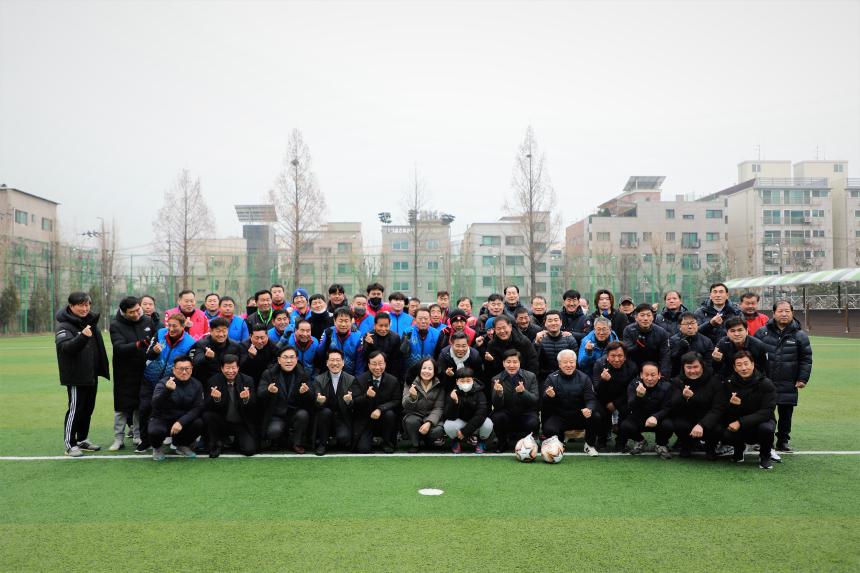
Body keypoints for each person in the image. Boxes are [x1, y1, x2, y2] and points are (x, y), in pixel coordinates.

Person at [700, 351, 777, 469]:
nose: (744, 368)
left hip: (759, 422)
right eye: (739, 365)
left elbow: (767, 412)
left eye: (746, 363)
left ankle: (765, 455)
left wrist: (740, 422)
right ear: (735, 368)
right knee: (723, 431)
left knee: (766, 428)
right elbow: (722, 408)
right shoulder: (728, 383)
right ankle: (738, 449)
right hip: (736, 421)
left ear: (753, 364)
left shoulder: (766, 383)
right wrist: (733, 405)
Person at [55, 291, 110, 457]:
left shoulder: (91, 322)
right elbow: (65, 349)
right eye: (81, 305)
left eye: (87, 305)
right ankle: (70, 444)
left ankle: (82, 439)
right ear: (71, 306)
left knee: (87, 409)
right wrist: (83, 337)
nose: (85, 308)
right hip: (76, 376)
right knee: (75, 410)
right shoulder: (64, 326)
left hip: (91, 374)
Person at [754, 300, 813, 452]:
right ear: (773, 313)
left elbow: (806, 359)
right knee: (765, 412)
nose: (784, 314)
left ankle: (783, 441)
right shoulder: (762, 333)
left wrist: (802, 378)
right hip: (765, 382)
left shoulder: (800, 335)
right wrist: (757, 378)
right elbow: (753, 357)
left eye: (787, 311)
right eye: (780, 311)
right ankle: (764, 440)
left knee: (786, 414)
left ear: (792, 313)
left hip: (789, 381)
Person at [139, 313, 195, 453]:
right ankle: (145, 441)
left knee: (167, 409)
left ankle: (174, 439)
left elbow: (189, 363)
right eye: (169, 325)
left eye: (174, 326)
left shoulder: (190, 342)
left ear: (183, 326)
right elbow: (148, 354)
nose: (171, 329)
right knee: (145, 408)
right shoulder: (160, 333)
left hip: (171, 382)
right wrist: (154, 351)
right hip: (150, 378)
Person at [108, 296, 154, 451]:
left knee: (140, 405)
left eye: (137, 310)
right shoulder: (116, 325)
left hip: (144, 370)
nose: (135, 314)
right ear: (124, 312)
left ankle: (137, 436)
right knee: (121, 407)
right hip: (124, 372)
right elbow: (119, 347)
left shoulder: (147, 321)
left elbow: (156, 339)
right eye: (131, 312)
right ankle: (118, 439)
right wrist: (139, 344)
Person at [542, 349, 601, 457]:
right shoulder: (551, 378)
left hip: (579, 415)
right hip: (560, 416)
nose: (569, 365)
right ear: (559, 364)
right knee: (548, 428)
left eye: (571, 362)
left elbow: (591, 399)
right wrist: (549, 396)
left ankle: (589, 444)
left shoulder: (584, 378)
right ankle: (560, 442)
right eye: (565, 362)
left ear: (575, 362)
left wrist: (589, 409)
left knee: (595, 416)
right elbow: (544, 401)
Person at [258, 346, 314, 454]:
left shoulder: (303, 374)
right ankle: (277, 441)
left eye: (292, 357)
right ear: (279, 360)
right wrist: (268, 390)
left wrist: (306, 392)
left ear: (296, 359)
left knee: (303, 415)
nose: (289, 361)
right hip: (276, 414)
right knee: (273, 432)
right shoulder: (268, 373)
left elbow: (312, 396)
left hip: (294, 413)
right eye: (285, 357)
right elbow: (260, 394)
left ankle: (297, 443)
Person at [148, 355, 204, 461]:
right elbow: (155, 404)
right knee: (155, 431)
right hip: (163, 418)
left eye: (187, 368)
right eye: (180, 369)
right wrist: (167, 391)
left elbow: (198, 407)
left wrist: (181, 422)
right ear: (174, 370)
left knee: (199, 423)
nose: (184, 372)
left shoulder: (197, 384)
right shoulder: (164, 383)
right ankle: (157, 448)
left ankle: (182, 445)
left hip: (182, 420)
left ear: (191, 369)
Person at [618, 362, 677, 459]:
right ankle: (640, 440)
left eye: (653, 375)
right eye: (646, 375)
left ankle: (661, 444)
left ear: (659, 375)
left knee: (669, 425)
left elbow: (667, 408)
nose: (649, 378)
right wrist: (639, 396)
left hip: (659, 419)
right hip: (639, 418)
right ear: (641, 375)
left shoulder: (667, 386)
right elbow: (630, 407)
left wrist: (655, 417)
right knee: (625, 425)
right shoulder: (634, 384)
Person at [202, 354, 257, 457]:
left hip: (241, 423)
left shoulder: (247, 380)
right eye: (227, 368)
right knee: (208, 416)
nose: (231, 371)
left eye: (233, 368)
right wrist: (217, 399)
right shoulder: (213, 381)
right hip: (222, 422)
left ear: (238, 368)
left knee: (249, 450)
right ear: (222, 368)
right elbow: (206, 407)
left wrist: (246, 399)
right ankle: (217, 442)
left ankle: (235, 442)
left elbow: (254, 405)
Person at [669, 352, 720, 459]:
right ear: (683, 367)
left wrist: (702, 424)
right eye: (688, 367)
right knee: (679, 424)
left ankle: (710, 447)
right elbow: (673, 406)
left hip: (707, 418)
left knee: (718, 427)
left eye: (696, 367)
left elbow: (717, 408)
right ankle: (687, 445)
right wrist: (684, 397)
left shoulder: (714, 381)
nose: (692, 371)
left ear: (702, 365)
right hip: (687, 418)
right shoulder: (677, 381)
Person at [489, 350, 540, 452]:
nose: (511, 365)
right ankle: (502, 443)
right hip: (506, 414)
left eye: (515, 362)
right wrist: (499, 393)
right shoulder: (496, 379)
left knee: (533, 422)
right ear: (503, 363)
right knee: (497, 417)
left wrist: (523, 392)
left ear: (519, 363)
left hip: (525, 413)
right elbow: (496, 405)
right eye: (508, 362)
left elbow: (535, 400)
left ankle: (528, 443)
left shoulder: (530, 376)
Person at [350, 351, 400, 453]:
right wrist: (366, 396)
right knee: (363, 449)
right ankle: (370, 440)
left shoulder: (393, 380)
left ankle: (387, 442)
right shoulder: (359, 380)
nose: (377, 367)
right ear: (368, 365)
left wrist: (380, 409)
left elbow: (396, 401)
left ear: (385, 364)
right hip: (365, 419)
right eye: (374, 364)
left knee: (390, 414)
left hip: (384, 418)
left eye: (380, 364)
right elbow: (354, 402)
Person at [592, 341, 637, 450]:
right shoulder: (599, 364)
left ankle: (621, 442)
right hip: (603, 397)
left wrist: (616, 403)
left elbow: (631, 391)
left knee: (627, 411)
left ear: (625, 357)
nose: (616, 359)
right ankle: (601, 439)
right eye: (613, 356)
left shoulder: (632, 367)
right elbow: (597, 390)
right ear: (607, 356)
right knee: (599, 413)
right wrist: (603, 381)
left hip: (623, 397)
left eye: (620, 356)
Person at [311, 349, 356, 455]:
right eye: (332, 360)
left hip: (342, 417)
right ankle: (322, 444)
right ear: (327, 363)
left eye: (338, 360)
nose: (335, 363)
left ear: (343, 363)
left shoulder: (351, 379)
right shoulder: (318, 379)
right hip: (324, 418)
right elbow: (315, 404)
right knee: (325, 412)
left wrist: (349, 401)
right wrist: (319, 401)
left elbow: (354, 405)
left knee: (344, 439)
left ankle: (335, 439)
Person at [402, 358, 446, 453]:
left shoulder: (440, 384)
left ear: (434, 371)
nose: (427, 371)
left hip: (432, 416)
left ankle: (428, 441)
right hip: (415, 414)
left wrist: (429, 422)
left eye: (430, 369)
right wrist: (413, 397)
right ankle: (415, 444)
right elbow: (405, 406)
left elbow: (439, 408)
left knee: (437, 430)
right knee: (411, 421)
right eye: (424, 368)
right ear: (419, 369)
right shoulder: (410, 382)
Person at [444, 367, 492, 454]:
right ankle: (456, 441)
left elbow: (481, 415)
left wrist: (465, 432)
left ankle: (481, 441)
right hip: (460, 422)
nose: (465, 383)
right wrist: (454, 402)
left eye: (468, 380)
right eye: (462, 381)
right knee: (448, 425)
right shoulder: (453, 393)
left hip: (476, 423)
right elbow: (449, 416)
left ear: (473, 380)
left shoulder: (480, 393)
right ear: (457, 381)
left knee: (488, 423)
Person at [482, 314, 539, 381]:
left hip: (523, 378)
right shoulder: (492, 345)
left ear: (510, 327)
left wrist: (528, 381)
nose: (502, 331)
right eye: (499, 329)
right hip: (502, 380)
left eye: (504, 328)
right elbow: (489, 372)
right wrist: (490, 361)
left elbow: (533, 363)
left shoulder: (523, 341)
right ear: (495, 330)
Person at [622, 303, 671, 378]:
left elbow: (665, 355)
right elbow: (627, 351)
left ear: (653, 317)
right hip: (634, 367)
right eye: (642, 315)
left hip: (654, 367)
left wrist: (663, 374)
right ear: (636, 317)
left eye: (648, 315)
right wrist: (638, 346)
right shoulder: (628, 330)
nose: (645, 318)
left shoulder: (661, 332)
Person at [190, 317, 243, 385]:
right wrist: (206, 358)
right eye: (218, 331)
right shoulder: (201, 344)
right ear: (211, 331)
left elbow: (239, 365)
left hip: (227, 382)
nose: (221, 334)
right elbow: (195, 363)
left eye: (224, 331)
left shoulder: (235, 346)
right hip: (206, 381)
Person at [535, 310, 579, 384]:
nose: (553, 323)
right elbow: (534, 360)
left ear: (561, 322)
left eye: (556, 320)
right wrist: (537, 343)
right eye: (550, 321)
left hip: (566, 378)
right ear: (545, 323)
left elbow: (575, 363)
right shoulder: (539, 338)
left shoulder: (569, 339)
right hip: (544, 379)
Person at [667, 312, 714, 377]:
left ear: (697, 324)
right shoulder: (673, 340)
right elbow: (670, 362)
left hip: (701, 376)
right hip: (679, 377)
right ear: (680, 326)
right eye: (686, 324)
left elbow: (709, 364)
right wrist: (680, 350)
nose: (690, 327)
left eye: (692, 323)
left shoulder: (706, 341)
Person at [318, 308, 362, 375]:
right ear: (334, 321)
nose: (343, 324)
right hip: (331, 373)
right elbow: (320, 352)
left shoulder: (358, 335)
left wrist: (358, 378)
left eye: (346, 321)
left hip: (350, 374)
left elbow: (360, 360)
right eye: (340, 321)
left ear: (351, 322)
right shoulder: (328, 332)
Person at [359, 311, 402, 378]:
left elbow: (397, 361)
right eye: (380, 326)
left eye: (386, 326)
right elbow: (364, 358)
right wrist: (368, 344)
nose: (383, 329)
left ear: (390, 325)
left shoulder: (395, 338)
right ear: (374, 325)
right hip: (371, 372)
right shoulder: (368, 336)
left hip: (390, 373)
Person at [401, 307, 442, 378]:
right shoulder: (407, 332)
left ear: (430, 319)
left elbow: (439, 356)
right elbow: (403, 353)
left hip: (429, 373)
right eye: (420, 318)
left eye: (426, 318)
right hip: (410, 373)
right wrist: (406, 342)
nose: (423, 321)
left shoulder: (437, 334)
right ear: (415, 319)